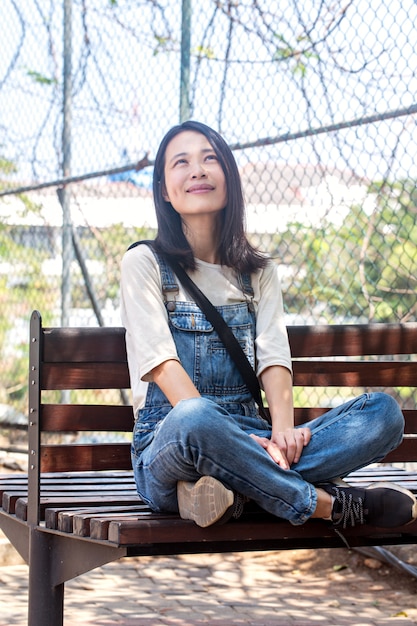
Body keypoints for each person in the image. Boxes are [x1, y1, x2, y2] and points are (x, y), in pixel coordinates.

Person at [120, 120, 417, 530]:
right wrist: (235, 440)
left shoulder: (258, 272)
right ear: (163, 191)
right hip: (172, 444)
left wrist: (282, 433)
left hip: (255, 434)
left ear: (229, 177)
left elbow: (274, 356)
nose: (198, 170)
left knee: (383, 415)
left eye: (210, 159)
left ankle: (232, 493)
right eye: (181, 162)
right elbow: (162, 366)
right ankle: (327, 505)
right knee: (197, 417)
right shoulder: (144, 263)